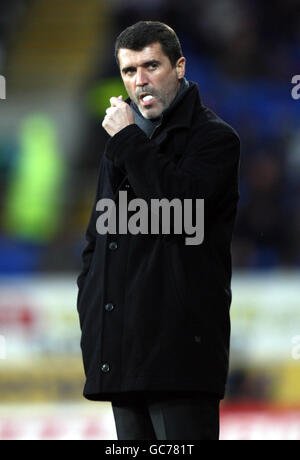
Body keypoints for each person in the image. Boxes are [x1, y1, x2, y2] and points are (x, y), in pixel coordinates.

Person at [76, 21, 240, 440]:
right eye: (129, 71)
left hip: (179, 360)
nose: (140, 81)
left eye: (151, 66)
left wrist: (128, 139)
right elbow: (99, 241)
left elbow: (183, 211)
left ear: (180, 67)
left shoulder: (215, 139)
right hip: (121, 355)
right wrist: (93, 315)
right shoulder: (121, 145)